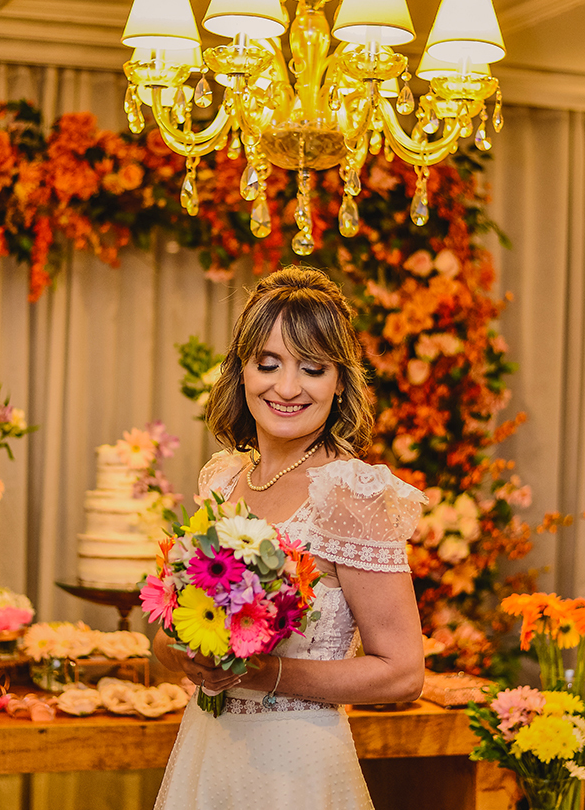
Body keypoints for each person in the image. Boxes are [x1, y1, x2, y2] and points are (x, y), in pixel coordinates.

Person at [153, 266, 427, 810]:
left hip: (295, 764)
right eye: (268, 363)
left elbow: (402, 673)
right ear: (242, 372)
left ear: (340, 382)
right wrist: (183, 654)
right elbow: (168, 633)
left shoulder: (351, 492)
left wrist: (262, 671)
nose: (285, 387)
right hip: (207, 751)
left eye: (312, 368)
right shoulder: (223, 478)